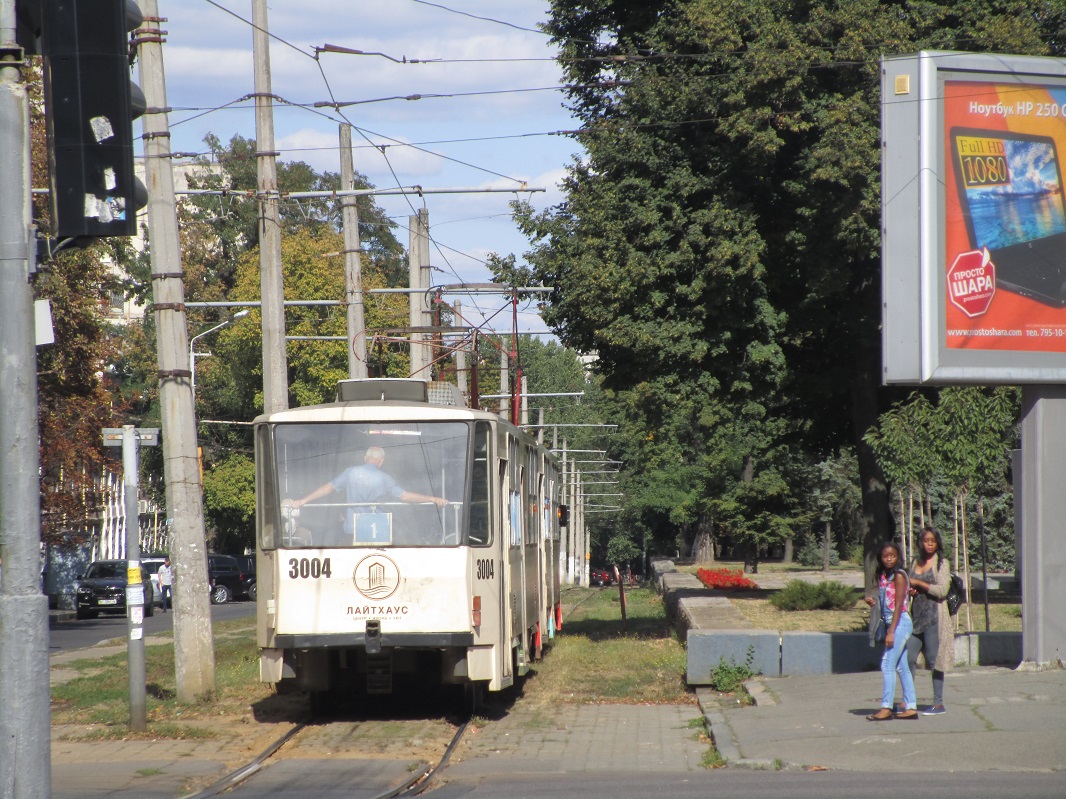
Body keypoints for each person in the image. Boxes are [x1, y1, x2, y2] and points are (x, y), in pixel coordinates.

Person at [290, 446, 449, 538]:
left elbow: (328, 487)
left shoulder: (350, 472)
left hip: (352, 527)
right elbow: (405, 496)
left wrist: (303, 501)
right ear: (381, 461)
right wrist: (432, 498)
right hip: (378, 528)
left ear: (365, 458)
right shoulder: (384, 478)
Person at [864, 541, 918, 720]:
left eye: (893, 556)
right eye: (885, 556)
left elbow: (899, 606)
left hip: (900, 623)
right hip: (890, 623)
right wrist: (873, 601)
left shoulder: (899, 576)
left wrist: (891, 632)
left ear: (898, 557)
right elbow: (886, 601)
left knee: (887, 664)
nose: (889, 559)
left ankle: (886, 707)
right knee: (902, 667)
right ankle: (910, 707)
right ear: (880, 557)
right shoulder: (884, 576)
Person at [906, 525, 952, 715]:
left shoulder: (941, 563)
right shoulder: (915, 561)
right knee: (907, 659)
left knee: (935, 661)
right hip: (915, 619)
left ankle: (938, 703)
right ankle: (909, 701)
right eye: (926, 541)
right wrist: (912, 589)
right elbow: (909, 582)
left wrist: (918, 583)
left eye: (933, 541)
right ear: (921, 542)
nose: (930, 544)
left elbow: (942, 590)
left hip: (934, 618)